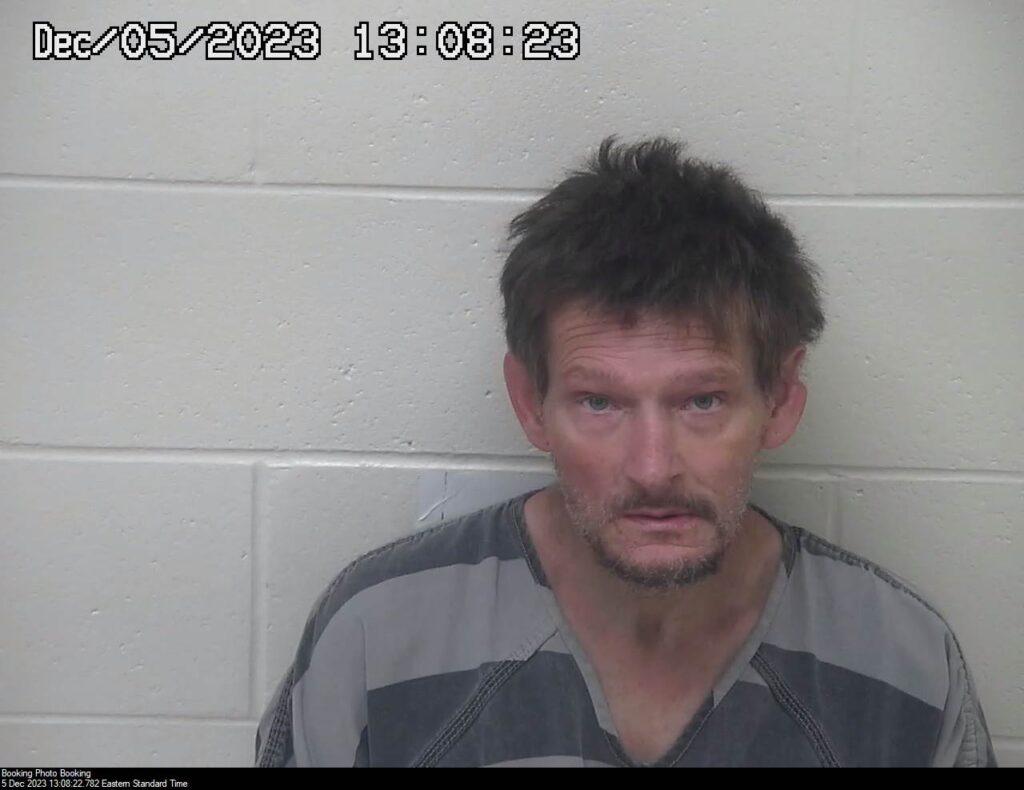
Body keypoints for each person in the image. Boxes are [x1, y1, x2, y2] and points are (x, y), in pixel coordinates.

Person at [254, 135, 997, 767]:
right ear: (530, 403)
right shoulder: (377, 635)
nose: (652, 468)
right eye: (599, 402)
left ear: (780, 398)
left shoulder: (902, 663)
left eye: (702, 401)